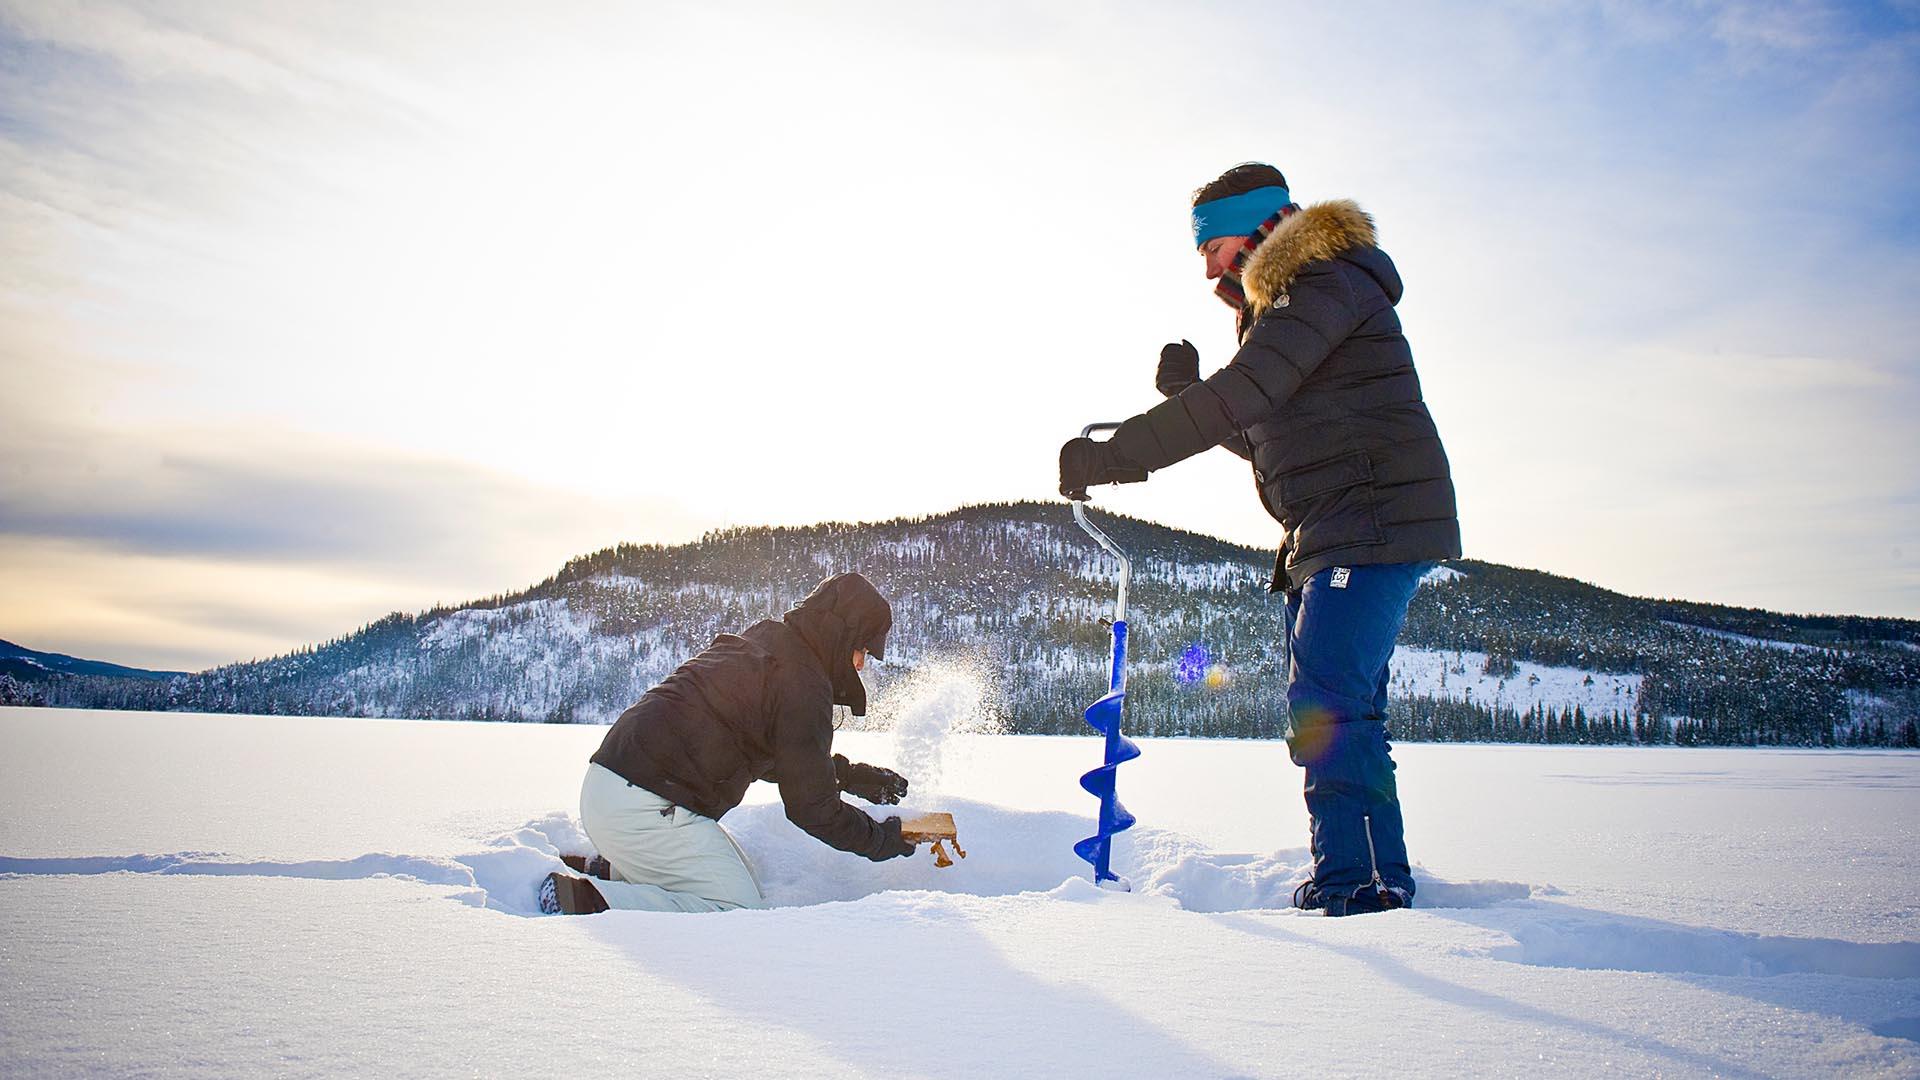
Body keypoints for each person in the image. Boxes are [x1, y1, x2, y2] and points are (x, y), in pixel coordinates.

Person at [1058, 163, 1461, 916]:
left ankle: (1363, 883)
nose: (1206, 264)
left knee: (1331, 705)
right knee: (1337, 707)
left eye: (1212, 245)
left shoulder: (1323, 283)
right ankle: (1361, 870)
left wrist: (1117, 455)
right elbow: (1266, 435)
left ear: (1260, 227)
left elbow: (1242, 396)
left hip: (1369, 522)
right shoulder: (1290, 306)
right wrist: (1186, 398)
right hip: (1330, 528)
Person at [542, 571, 917, 914]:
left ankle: (607, 869)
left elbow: (782, 758)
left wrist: (852, 778)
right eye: (864, 650)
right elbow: (812, 809)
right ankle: (584, 900)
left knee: (747, 879)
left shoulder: (770, 642)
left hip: (611, 789)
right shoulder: (803, 684)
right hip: (645, 807)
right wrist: (882, 840)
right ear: (843, 636)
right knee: (734, 908)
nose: (861, 665)